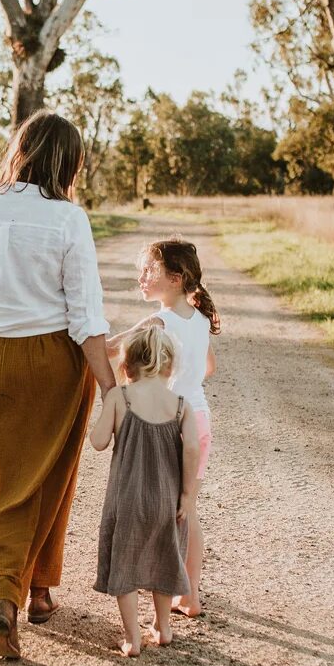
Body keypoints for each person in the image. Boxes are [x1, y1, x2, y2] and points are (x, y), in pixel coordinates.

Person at [0, 109, 118, 660]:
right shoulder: (68, 219)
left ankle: (36, 587)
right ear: (67, 163)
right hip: (56, 359)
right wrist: (111, 389)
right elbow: (86, 316)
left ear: (20, 151)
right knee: (48, 477)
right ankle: (10, 599)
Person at [107, 236, 219, 617]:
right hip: (200, 419)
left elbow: (112, 349)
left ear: (175, 278)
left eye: (149, 270)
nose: (141, 277)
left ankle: (160, 582)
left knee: (161, 509)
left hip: (173, 424)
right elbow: (209, 367)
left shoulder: (160, 321)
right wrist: (186, 376)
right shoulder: (200, 320)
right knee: (187, 509)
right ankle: (190, 595)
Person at [89, 325, 201, 657]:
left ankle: (132, 638)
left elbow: (98, 442)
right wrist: (186, 495)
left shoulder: (119, 397)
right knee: (165, 558)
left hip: (126, 501)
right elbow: (192, 448)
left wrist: (107, 409)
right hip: (167, 500)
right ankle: (163, 627)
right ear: (169, 367)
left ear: (126, 366)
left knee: (124, 563)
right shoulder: (180, 405)